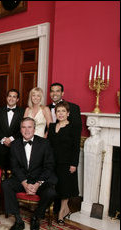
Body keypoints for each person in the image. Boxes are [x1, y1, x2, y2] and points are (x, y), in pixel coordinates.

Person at [1, 117, 57, 230]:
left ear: (34, 129)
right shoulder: (15, 144)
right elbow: (14, 167)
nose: (27, 130)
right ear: (20, 130)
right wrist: (24, 183)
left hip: (39, 180)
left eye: (29, 127)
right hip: (23, 179)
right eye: (24, 127)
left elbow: (49, 166)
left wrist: (37, 184)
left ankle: (36, 217)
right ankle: (18, 220)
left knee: (51, 192)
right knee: (6, 185)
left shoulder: (44, 143)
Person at [48, 82, 82, 214]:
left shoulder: (73, 110)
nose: (54, 93)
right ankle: (58, 210)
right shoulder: (51, 123)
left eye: (58, 91)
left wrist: (74, 163)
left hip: (66, 160)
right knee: (55, 185)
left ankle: (62, 211)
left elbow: (76, 143)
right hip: (53, 160)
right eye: (52, 91)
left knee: (64, 186)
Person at [0, 89, 25, 171]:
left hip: (15, 145)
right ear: (6, 97)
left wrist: (11, 139)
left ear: (17, 99)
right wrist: (4, 139)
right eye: (10, 96)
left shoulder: (22, 111)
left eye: (14, 97)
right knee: (0, 170)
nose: (11, 98)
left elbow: (23, 128)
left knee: (15, 169)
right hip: (0, 146)